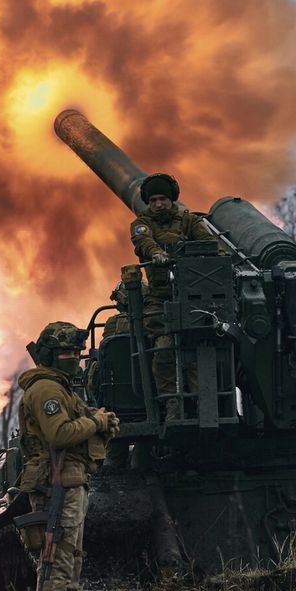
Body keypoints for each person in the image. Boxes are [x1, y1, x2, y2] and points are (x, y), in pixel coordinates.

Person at [16, 322, 117, 591]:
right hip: (56, 484)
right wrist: (96, 423)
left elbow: (80, 426)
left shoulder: (62, 389)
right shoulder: (47, 389)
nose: (73, 357)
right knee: (57, 562)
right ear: (48, 355)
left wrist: (103, 423)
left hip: (71, 480)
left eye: (76, 351)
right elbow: (59, 434)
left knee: (70, 560)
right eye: (65, 352)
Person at [128, 173, 215, 417]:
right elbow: (143, 241)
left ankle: (203, 405)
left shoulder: (189, 221)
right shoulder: (142, 223)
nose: (158, 204)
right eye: (153, 200)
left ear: (172, 199)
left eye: (163, 199)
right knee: (164, 349)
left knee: (199, 348)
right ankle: (171, 403)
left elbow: (208, 244)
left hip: (192, 298)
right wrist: (157, 253)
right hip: (160, 299)